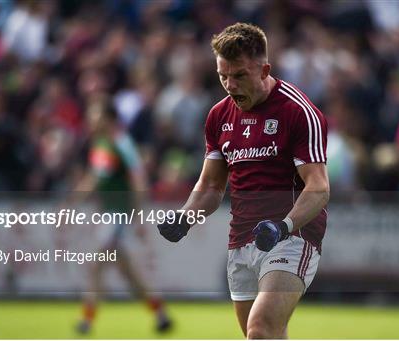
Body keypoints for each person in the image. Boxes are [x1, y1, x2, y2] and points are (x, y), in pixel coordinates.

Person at [157, 23, 329, 339]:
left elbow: (318, 187)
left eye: (239, 76)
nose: (230, 85)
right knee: (267, 335)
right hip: (241, 241)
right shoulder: (218, 117)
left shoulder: (298, 111)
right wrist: (185, 216)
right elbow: (210, 187)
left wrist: (283, 226)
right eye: (223, 76)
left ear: (264, 69)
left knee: (260, 329)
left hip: (290, 238)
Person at [75, 98, 172, 334]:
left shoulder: (122, 142)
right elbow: (95, 178)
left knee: (95, 265)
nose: (90, 118)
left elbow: (139, 180)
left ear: (108, 118)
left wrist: (138, 217)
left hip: (119, 216)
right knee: (127, 272)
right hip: (108, 216)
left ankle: (86, 322)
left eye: (94, 114)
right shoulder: (100, 144)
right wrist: (71, 202)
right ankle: (160, 314)